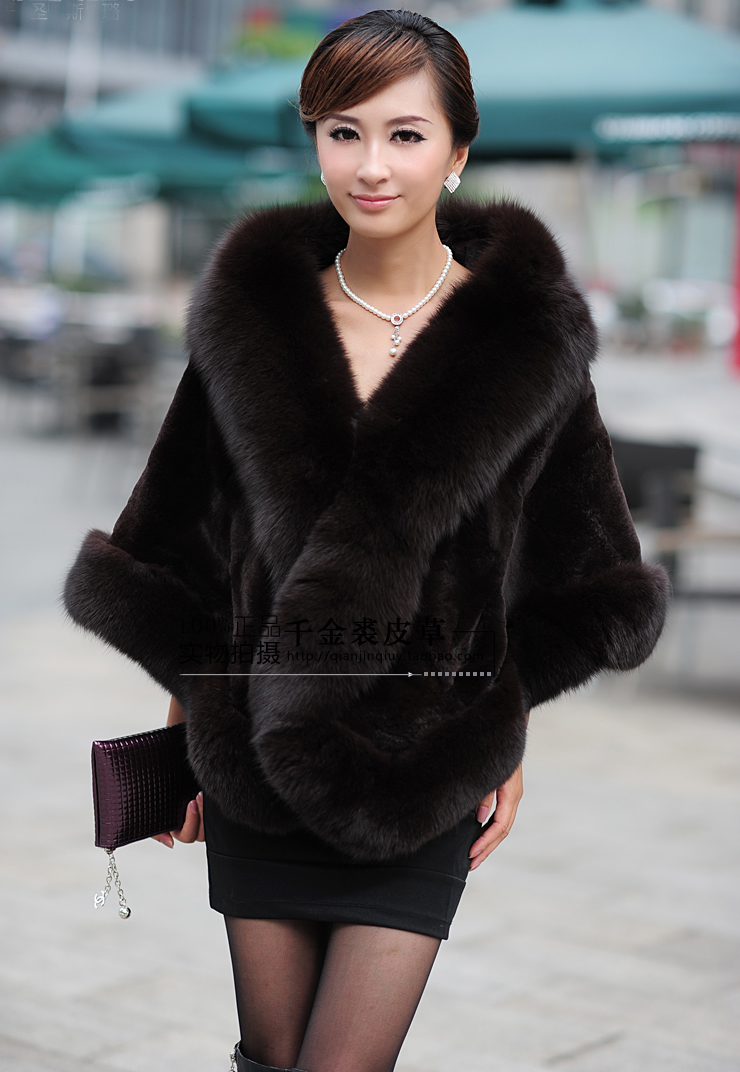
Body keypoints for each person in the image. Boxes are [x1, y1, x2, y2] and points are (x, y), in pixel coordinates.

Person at [62, 10, 669, 1072]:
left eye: (405, 134)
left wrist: (505, 724)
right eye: (342, 132)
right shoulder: (248, 321)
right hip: (254, 752)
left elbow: (580, 567)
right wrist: (187, 715)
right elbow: (184, 540)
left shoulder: (529, 341)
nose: (371, 165)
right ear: (313, 142)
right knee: (269, 1056)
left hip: (424, 762)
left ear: (458, 149)